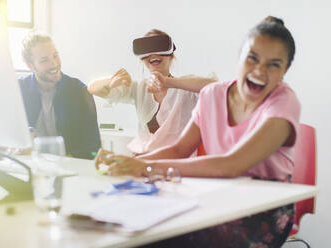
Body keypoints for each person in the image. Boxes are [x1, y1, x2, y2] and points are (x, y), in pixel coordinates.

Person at [95, 16, 300, 247]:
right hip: (217, 194)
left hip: (263, 209)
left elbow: (230, 165)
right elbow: (180, 149)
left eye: (274, 64)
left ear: (284, 71)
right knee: (134, 229)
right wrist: (127, 162)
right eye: (252, 58)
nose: (260, 70)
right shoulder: (212, 95)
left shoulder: (284, 101)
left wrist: (145, 167)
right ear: (239, 57)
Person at [88, 29, 218, 155]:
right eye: (146, 50)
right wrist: (111, 80)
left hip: (178, 164)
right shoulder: (138, 88)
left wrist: (167, 82)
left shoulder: (186, 88)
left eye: (159, 47)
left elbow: (215, 87)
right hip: (143, 160)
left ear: (171, 56)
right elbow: (93, 88)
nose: (153, 54)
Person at [19, 31, 101, 159]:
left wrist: (64, 160)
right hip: (29, 166)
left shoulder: (79, 91)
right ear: (30, 65)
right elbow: (0, 137)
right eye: (44, 60)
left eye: (55, 55)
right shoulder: (19, 91)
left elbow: (94, 147)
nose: (54, 64)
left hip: (69, 168)